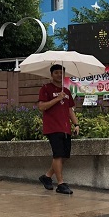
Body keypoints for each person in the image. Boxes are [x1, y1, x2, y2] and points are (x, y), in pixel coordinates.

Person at [37, 64, 80, 195]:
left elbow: (69, 110)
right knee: (58, 155)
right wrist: (57, 98)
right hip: (53, 128)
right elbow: (41, 107)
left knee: (64, 156)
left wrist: (76, 124)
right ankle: (60, 184)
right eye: (56, 72)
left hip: (65, 128)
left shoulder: (66, 91)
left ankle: (47, 176)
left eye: (61, 72)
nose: (59, 75)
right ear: (51, 74)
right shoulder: (45, 89)